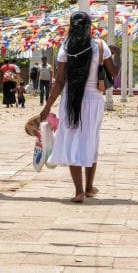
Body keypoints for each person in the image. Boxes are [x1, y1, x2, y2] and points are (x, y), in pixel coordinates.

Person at [40, 12, 119, 203]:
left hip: (71, 101)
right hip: (94, 100)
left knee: (72, 141)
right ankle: (90, 186)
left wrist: (47, 106)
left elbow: (59, 82)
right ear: (89, 27)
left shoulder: (66, 48)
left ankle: (79, 191)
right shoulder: (100, 46)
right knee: (91, 141)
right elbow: (114, 74)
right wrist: (115, 54)